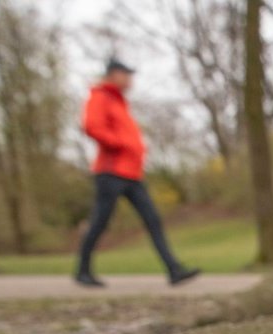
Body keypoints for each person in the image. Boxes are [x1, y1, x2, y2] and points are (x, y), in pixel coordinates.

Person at [75, 58, 199, 288]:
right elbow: (92, 126)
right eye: (126, 75)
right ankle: (82, 271)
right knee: (99, 222)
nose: (130, 80)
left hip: (132, 173)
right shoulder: (100, 96)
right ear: (113, 75)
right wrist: (120, 143)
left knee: (153, 219)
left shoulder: (120, 102)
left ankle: (174, 270)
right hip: (111, 172)